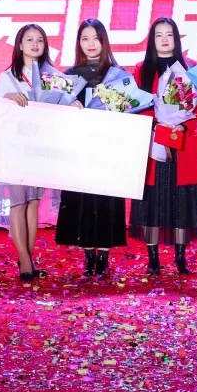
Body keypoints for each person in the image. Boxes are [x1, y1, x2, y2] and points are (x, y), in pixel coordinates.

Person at [130, 17, 197, 276]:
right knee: (152, 201)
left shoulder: (190, 69)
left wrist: (182, 125)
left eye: (169, 34)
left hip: (181, 145)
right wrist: (155, 123)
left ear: (176, 39)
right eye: (159, 35)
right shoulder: (141, 69)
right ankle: (153, 259)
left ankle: (180, 258)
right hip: (152, 145)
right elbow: (136, 104)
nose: (164, 39)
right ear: (152, 40)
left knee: (181, 202)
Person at [54, 19, 129, 278]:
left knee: (108, 200)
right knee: (83, 202)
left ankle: (104, 256)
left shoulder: (119, 75)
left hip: (109, 148)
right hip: (79, 149)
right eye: (85, 38)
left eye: (96, 38)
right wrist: (68, 106)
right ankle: (88, 256)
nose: (91, 44)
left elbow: (130, 109)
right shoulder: (69, 75)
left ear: (104, 41)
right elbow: (55, 111)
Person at [0, 23, 55, 281]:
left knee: (34, 204)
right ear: (19, 45)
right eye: (29, 39)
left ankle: (27, 258)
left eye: (39, 40)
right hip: (14, 148)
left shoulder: (52, 76)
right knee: (18, 203)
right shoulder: (7, 77)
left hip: (40, 149)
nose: (35, 44)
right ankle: (25, 261)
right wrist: (7, 97)